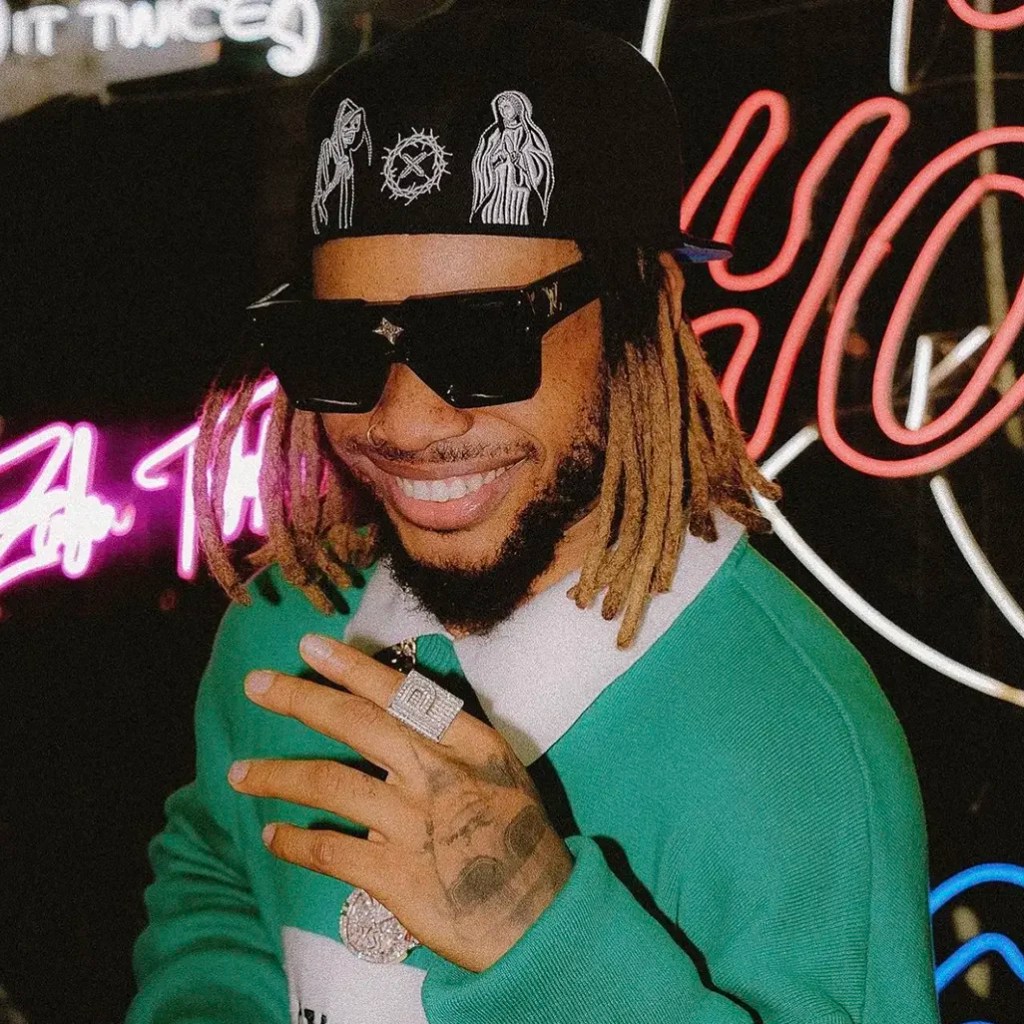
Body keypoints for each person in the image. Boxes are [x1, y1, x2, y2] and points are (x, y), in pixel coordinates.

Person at [127, 7, 942, 1023]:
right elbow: (218, 876)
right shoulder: (290, 622)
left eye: (481, 341)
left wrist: (544, 947)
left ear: (642, 313)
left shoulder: (790, 743)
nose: (405, 421)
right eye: (339, 345)